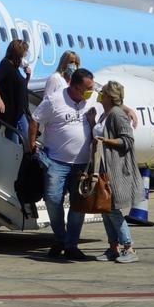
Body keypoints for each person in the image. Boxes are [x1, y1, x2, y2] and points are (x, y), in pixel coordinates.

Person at [27, 66, 98, 260]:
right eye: (87, 88)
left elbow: (111, 99)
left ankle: (71, 244)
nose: (91, 92)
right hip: (56, 162)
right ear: (74, 87)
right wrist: (31, 144)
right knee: (52, 199)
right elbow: (35, 120)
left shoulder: (90, 99)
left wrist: (128, 111)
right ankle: (60, 237)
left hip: (82, 164)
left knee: (78, 205)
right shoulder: (54, 100)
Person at [92, 81, 140, 263]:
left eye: (102, 92)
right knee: (105, 209)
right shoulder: (106, 114)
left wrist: (107, 141)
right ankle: (113, 247)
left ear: (109, 97)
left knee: (112, 209)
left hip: (116, 168)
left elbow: (128, 140)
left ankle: (128, 247)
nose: (99, 94)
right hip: (104, 167)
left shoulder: (117, 115)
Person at [0, 38, 32, 144]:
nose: (24, 57)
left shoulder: (15, 67)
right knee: (15, 143)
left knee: (27, 139)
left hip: (20, 111)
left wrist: (28, 75)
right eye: (24, 54)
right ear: (18, 54)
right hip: (11, 114)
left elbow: (21, 87)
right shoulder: (6, 65)